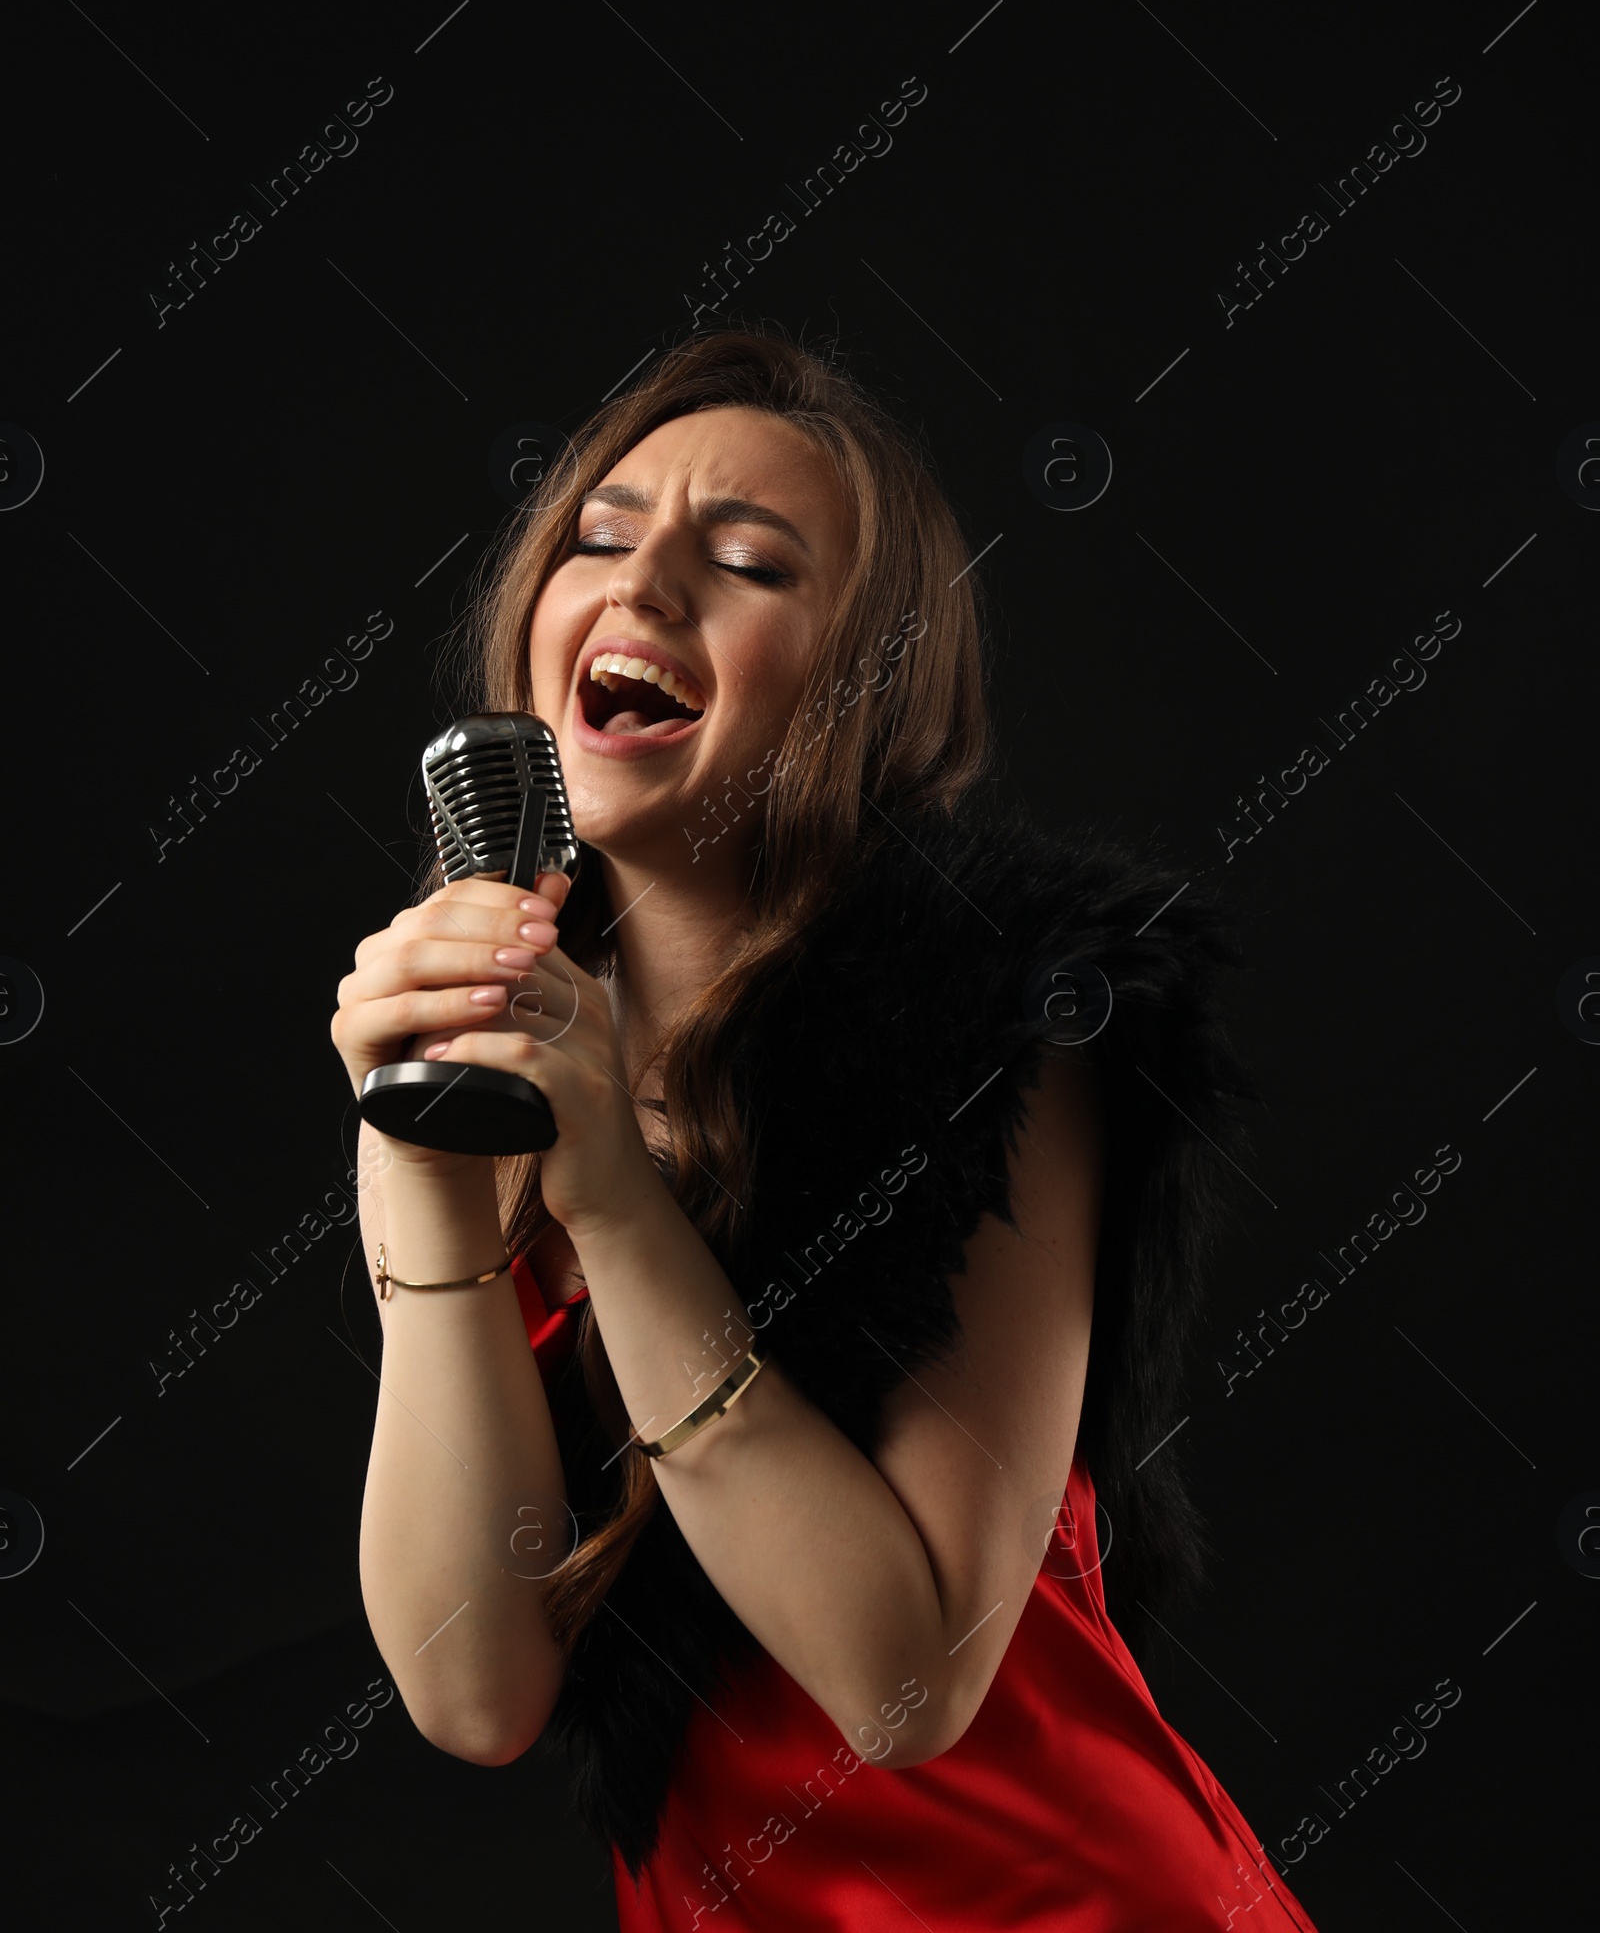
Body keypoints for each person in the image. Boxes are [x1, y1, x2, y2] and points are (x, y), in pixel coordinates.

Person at [331, 326, 1322, 1930]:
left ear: (868, 688)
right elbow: (476, 1689)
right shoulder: (494, 1064)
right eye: (599, 533)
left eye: (744, 563)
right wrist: (425, 1191)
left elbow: (900, 1683)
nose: (642, 587)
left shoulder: (1002, 1021)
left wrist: (616, 1202)